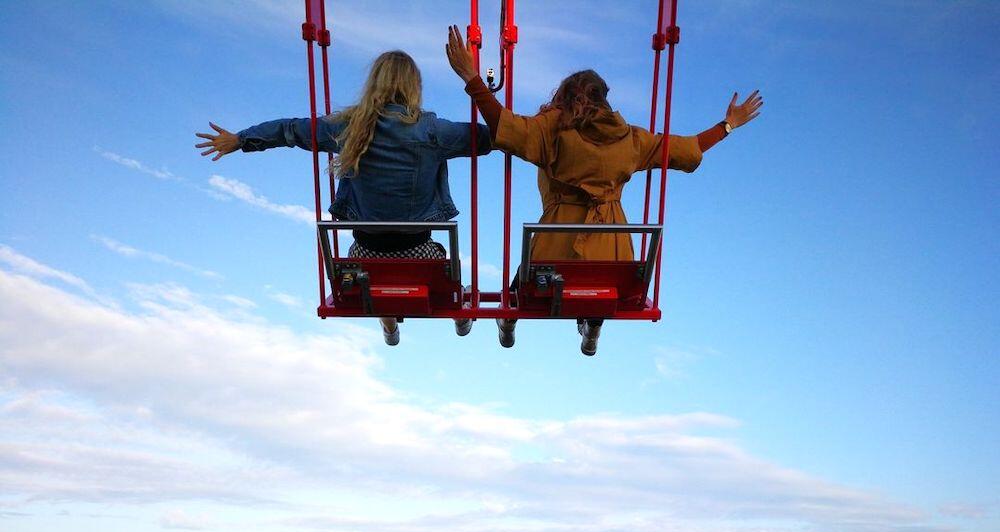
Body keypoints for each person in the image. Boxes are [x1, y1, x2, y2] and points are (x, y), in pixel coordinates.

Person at [445, 26, 762, 355]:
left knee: (524, 285)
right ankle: (593, 322)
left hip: (557, 246)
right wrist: (727, 126)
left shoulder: (552, 128)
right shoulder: (631, 139)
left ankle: (509, 321)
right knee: (597, 276)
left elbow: (503, 125)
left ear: (565, 96)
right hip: (613, 254)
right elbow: (687, 149)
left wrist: (472, 78)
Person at [196, 50, 491, 346]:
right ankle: (459, 313)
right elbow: (492, 136)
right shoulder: (433, 132)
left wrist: (241, 139)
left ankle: (388, 324)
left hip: (364, 255)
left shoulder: (349, 128)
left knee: (375, 271)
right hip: (420, 254)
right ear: (414, 86)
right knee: (443, 263)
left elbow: (291, 130)